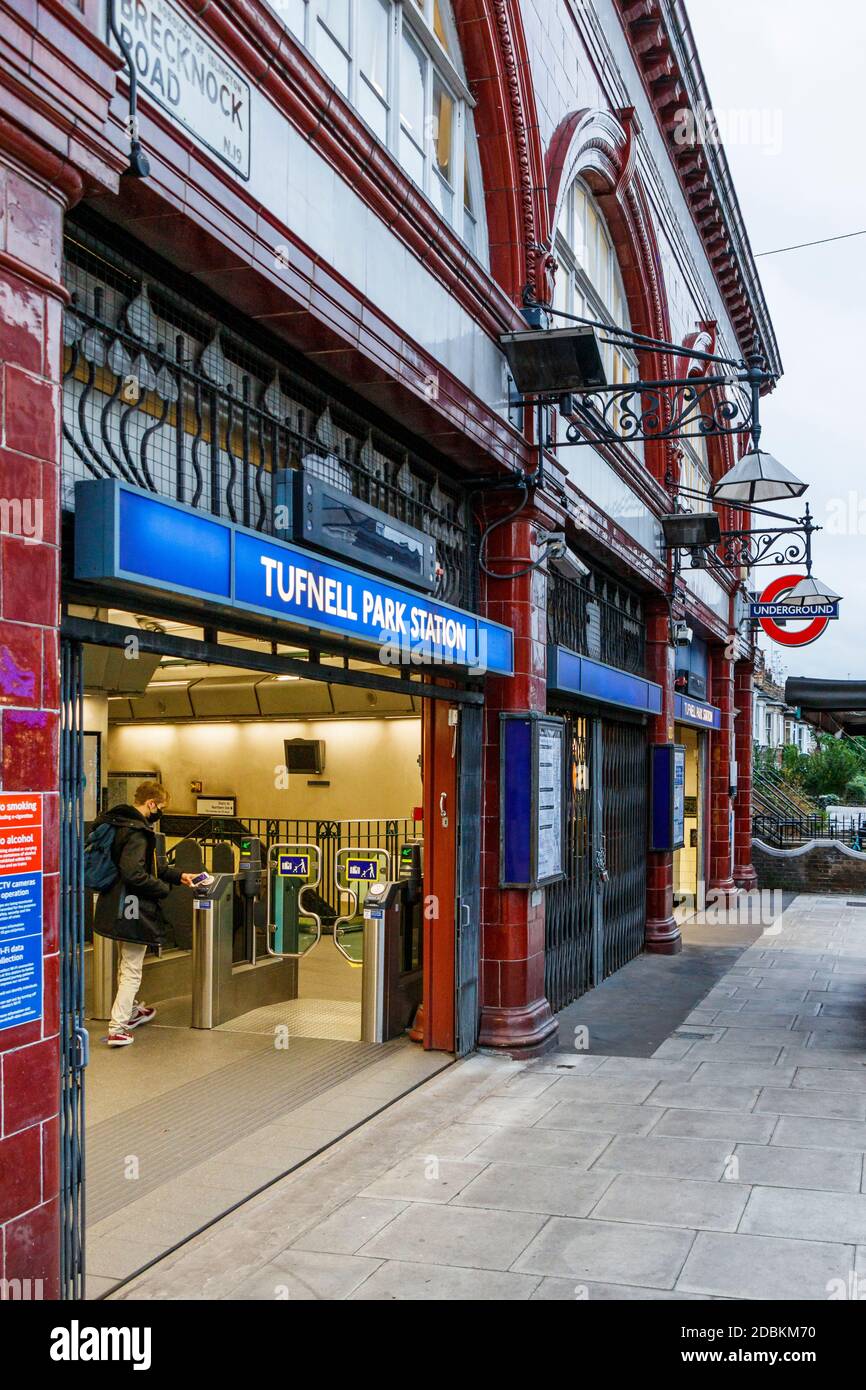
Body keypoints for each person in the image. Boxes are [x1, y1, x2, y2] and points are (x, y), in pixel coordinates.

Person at [92, 781, 197, 1048]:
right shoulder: (138, 833)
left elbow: (149, 865)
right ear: (151, 803)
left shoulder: (118, 823)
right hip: (131, 907)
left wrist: (178, 876)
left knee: (127, 962)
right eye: (161, 807)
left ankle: (130, 1012)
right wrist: (162, 889)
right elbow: (134, 873)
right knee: (131, 968)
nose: (160, 811)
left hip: (112, 903)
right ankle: (118, 1028)